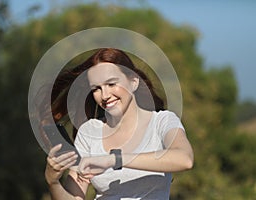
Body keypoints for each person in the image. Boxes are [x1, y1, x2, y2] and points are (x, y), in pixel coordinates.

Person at [44, 48, 194, 200]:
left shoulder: (162, 122)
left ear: (133, 82)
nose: (105, 95)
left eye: (111, 84)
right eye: (96, 88)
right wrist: (53, 181)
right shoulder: (89, 131)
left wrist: (114, 159)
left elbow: (184, 159)